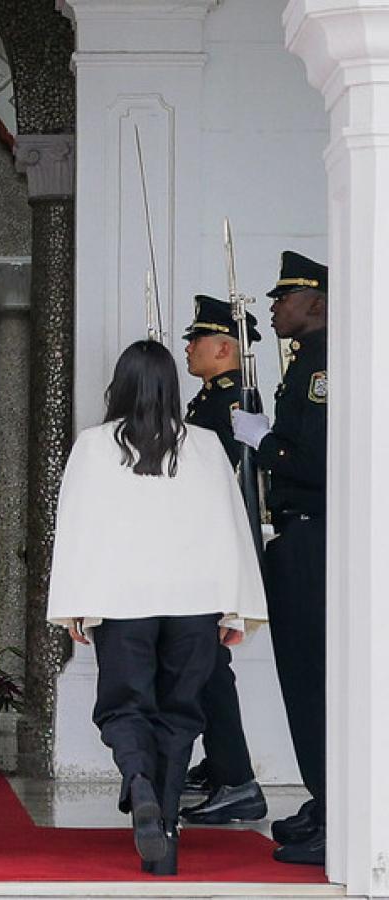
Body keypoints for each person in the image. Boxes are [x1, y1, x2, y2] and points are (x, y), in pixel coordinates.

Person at [47, 340, 266, 877]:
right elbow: (230, 529)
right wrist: (235, 610)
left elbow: (75, 529)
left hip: (123, 603)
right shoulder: (208, 445)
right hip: (193, 604)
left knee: (124, 707)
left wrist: (75, 604)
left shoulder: (95, 446)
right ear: (172, 388)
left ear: (120, 385)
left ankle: (138, 781)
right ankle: (164, 839)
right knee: (179, 714)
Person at [231, 251, 328, 866]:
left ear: (315, 302)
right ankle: (326, 795)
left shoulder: (323, 366)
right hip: (297, 537)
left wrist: (262, 439)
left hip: (314, 538)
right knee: (300, 679)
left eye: (284, 298)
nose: (273, 307)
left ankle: (337, 803)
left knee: (314, 679)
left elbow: (315, 462)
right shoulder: (305, 364)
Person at [176, 295, 268, 825]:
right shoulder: (210, 398)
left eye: (197, 340)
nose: (188, 347)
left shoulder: (230, 403)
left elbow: (217, 484)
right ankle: (221, 766)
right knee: (209, 664)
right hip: (203, 546)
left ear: (224, 347)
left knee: (208, 667)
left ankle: (238, 781)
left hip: (211, 549)